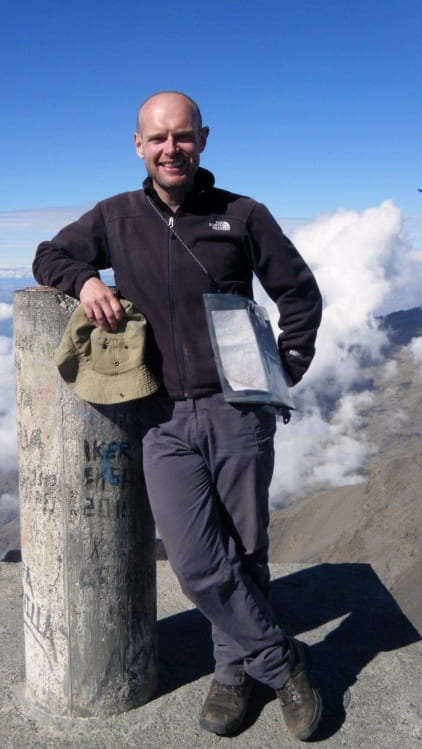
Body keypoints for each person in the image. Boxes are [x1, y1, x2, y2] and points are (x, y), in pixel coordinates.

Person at [33, 91, 323, 740]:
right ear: (138, 145)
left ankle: (232, 672)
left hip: (239, 410)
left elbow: (297, 293)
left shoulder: (242, 215)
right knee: (195, 560)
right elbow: (48, 254)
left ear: (203, 139)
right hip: (160, 416)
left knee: (245, 551)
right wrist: (85, 281)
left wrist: (282, 373)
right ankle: (283, 661)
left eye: (183, 136)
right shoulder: (115, 217)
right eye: (158, 138)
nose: (171, 148)